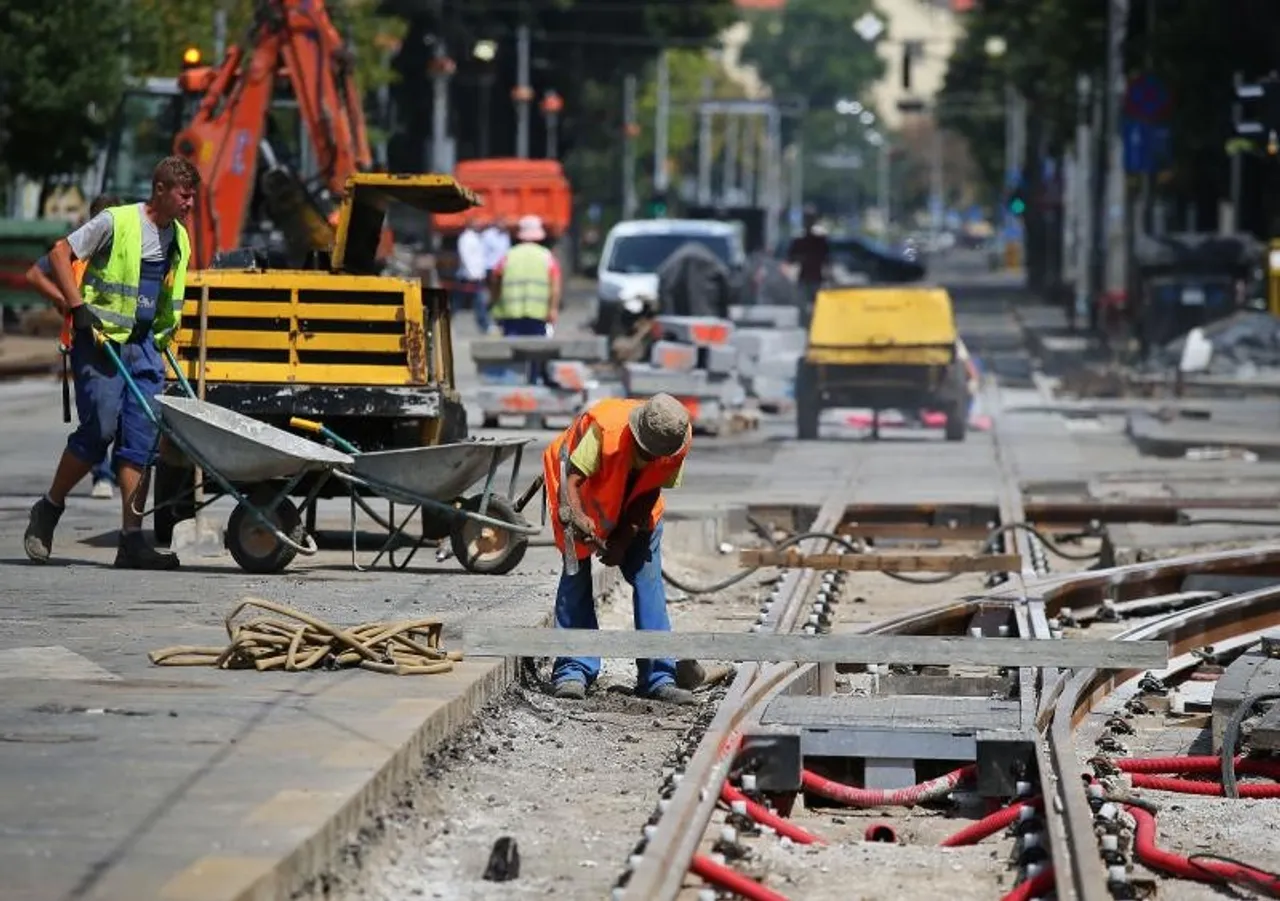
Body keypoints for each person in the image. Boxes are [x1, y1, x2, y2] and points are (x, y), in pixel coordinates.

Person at [23, 156, 199, 570]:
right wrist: (76, 305)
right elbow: (60, 253)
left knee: (141, 441)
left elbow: (162, 293)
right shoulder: (116, 222)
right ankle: (48, 508)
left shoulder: (179, 236)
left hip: (143, 346)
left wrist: (160, 337)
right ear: (160, 190)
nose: (190, 203)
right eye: (184, 195)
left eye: (192, 196)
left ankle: (132, 540)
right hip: (101, 341)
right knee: (99, 428)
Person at [542, 393, 696, 705]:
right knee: (576, 576)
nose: (652, 458)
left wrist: (623, 540)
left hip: (633, 510)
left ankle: (658, 676)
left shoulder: (677, 440)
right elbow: (572, 479)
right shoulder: (606, 431)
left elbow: (649, 491)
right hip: (577, 497)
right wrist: (578, 516)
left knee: (648, 581)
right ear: (638, 436)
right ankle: (573, 670)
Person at [26, 193, 123, 501]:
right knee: (94, 416)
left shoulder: (125, 251)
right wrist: (65, 300)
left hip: (118, 339)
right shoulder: (76, 248)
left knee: (121, 414)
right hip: (83, 342)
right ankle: (102, 474)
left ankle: (119, 470)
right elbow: (35, 274)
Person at [489, 215, 562, 383]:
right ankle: (533, 382)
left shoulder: (508, 256)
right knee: (536, 352)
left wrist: (496, 302)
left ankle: (515, 386)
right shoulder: (546, 257)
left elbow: (495, 278)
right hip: (537, 314)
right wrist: (553, 309)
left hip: (510, 314)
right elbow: (555, 286)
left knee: (514, 353)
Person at [786, 208, 831, 320]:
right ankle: (806, 325)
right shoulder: (799, 239)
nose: (809, 222)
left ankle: (815, 324)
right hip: (805, 277)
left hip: (817, 276)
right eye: (807, 219)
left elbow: (827, 258)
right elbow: (791, 258)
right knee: (803, 306)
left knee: (817, 306)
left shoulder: (820, 240)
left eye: (811, 219)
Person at [455, 214, 491, 333]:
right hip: (468, 276)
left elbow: (480, 257)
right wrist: (472, 274)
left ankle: (484, 325)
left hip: (476, 275)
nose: (479, 225)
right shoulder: (465, 238)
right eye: (476, 223)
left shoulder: (476, 237)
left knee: (478, 301)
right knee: (459, 302)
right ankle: (447, 319)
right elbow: (465, 257)